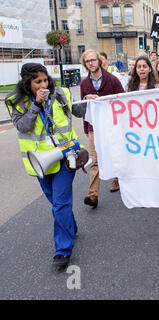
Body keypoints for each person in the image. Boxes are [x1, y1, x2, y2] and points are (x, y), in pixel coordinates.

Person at [5, 63, 86, 272]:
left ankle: (63, 251)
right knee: (57, 203)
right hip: (40, 162)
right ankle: (70, 226)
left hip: (65, 156)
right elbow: (22, 126)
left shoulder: (60, 93)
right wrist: (36, 106)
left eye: (45, 80)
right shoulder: (16, 102)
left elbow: (76, 111)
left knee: (59, 205)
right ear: (27, 83)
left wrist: (90, 102)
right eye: (37, 82)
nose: (43, 85)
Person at [80, 49, 125, 208]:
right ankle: (92, 195)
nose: (91, 63)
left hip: (112, 126)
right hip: (94, 128)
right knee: (94, 160)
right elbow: (84, 108)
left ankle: (120, 180)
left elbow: (122, 101)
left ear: (99, 61)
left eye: (93, 60)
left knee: (115, 155)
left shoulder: (112, 80)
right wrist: (86, 128)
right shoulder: (84, 84)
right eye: (87, 61)